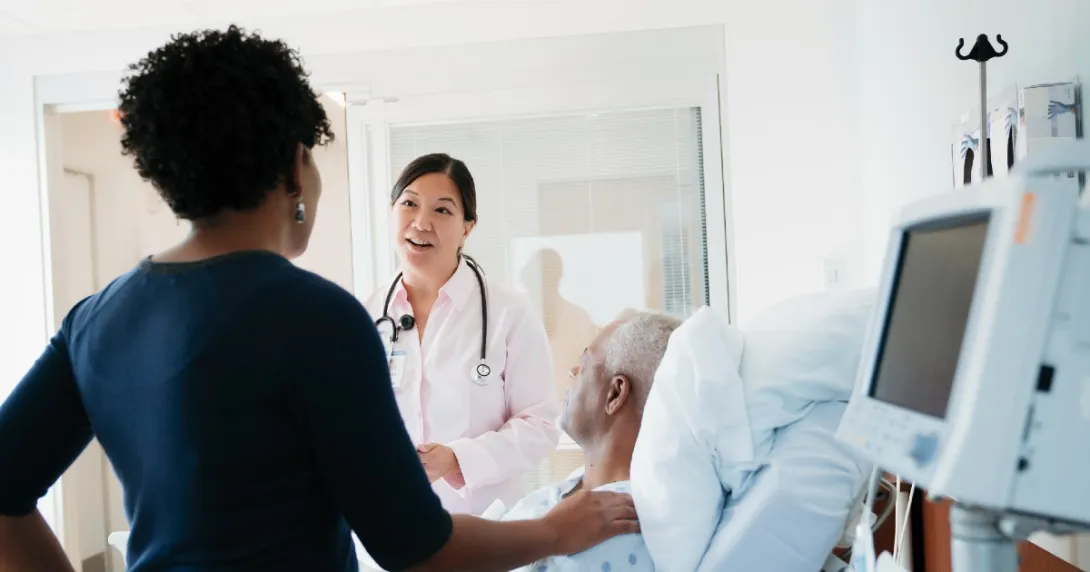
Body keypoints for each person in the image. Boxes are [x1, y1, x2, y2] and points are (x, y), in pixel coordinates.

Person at [0, 26, 637, 572]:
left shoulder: (96, 321)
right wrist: (557, 530)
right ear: (294, 167)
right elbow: (414, 547)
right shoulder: (320, 319)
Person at [364, 154, 560, 517]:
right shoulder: (364, 317)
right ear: (392, 211)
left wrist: (458, 459)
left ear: (467, 228)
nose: (421, 223)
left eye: (442, 210)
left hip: (484, 525)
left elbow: (541, 426)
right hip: (388, 525)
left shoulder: (509, 314)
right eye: (409, 204)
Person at [498, 311, 682, 572]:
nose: (573, 371)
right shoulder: (570, 493)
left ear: (615, 393)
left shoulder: (621, 529)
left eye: (584, 364)